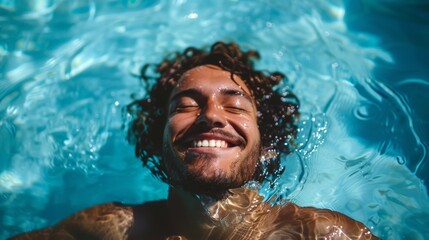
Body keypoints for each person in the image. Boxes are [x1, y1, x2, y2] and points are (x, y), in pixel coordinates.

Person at [10, 42, 379, 239]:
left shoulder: (321, 235)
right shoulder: (108, 230)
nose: (212, 115)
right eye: (186, 105)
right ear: (159, 142)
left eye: (235, 106)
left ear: (266, 144)